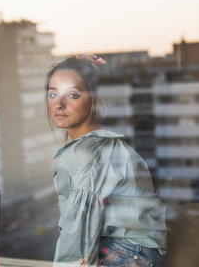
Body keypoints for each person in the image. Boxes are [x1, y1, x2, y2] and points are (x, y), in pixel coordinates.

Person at [45, 55, 167, 267]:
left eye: (73, 94)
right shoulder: (105, 144)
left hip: (123, 253)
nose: (59, 104)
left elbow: (78, 239)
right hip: (138, 252)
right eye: (53, 94)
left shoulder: (87, 153)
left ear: (95, 102)